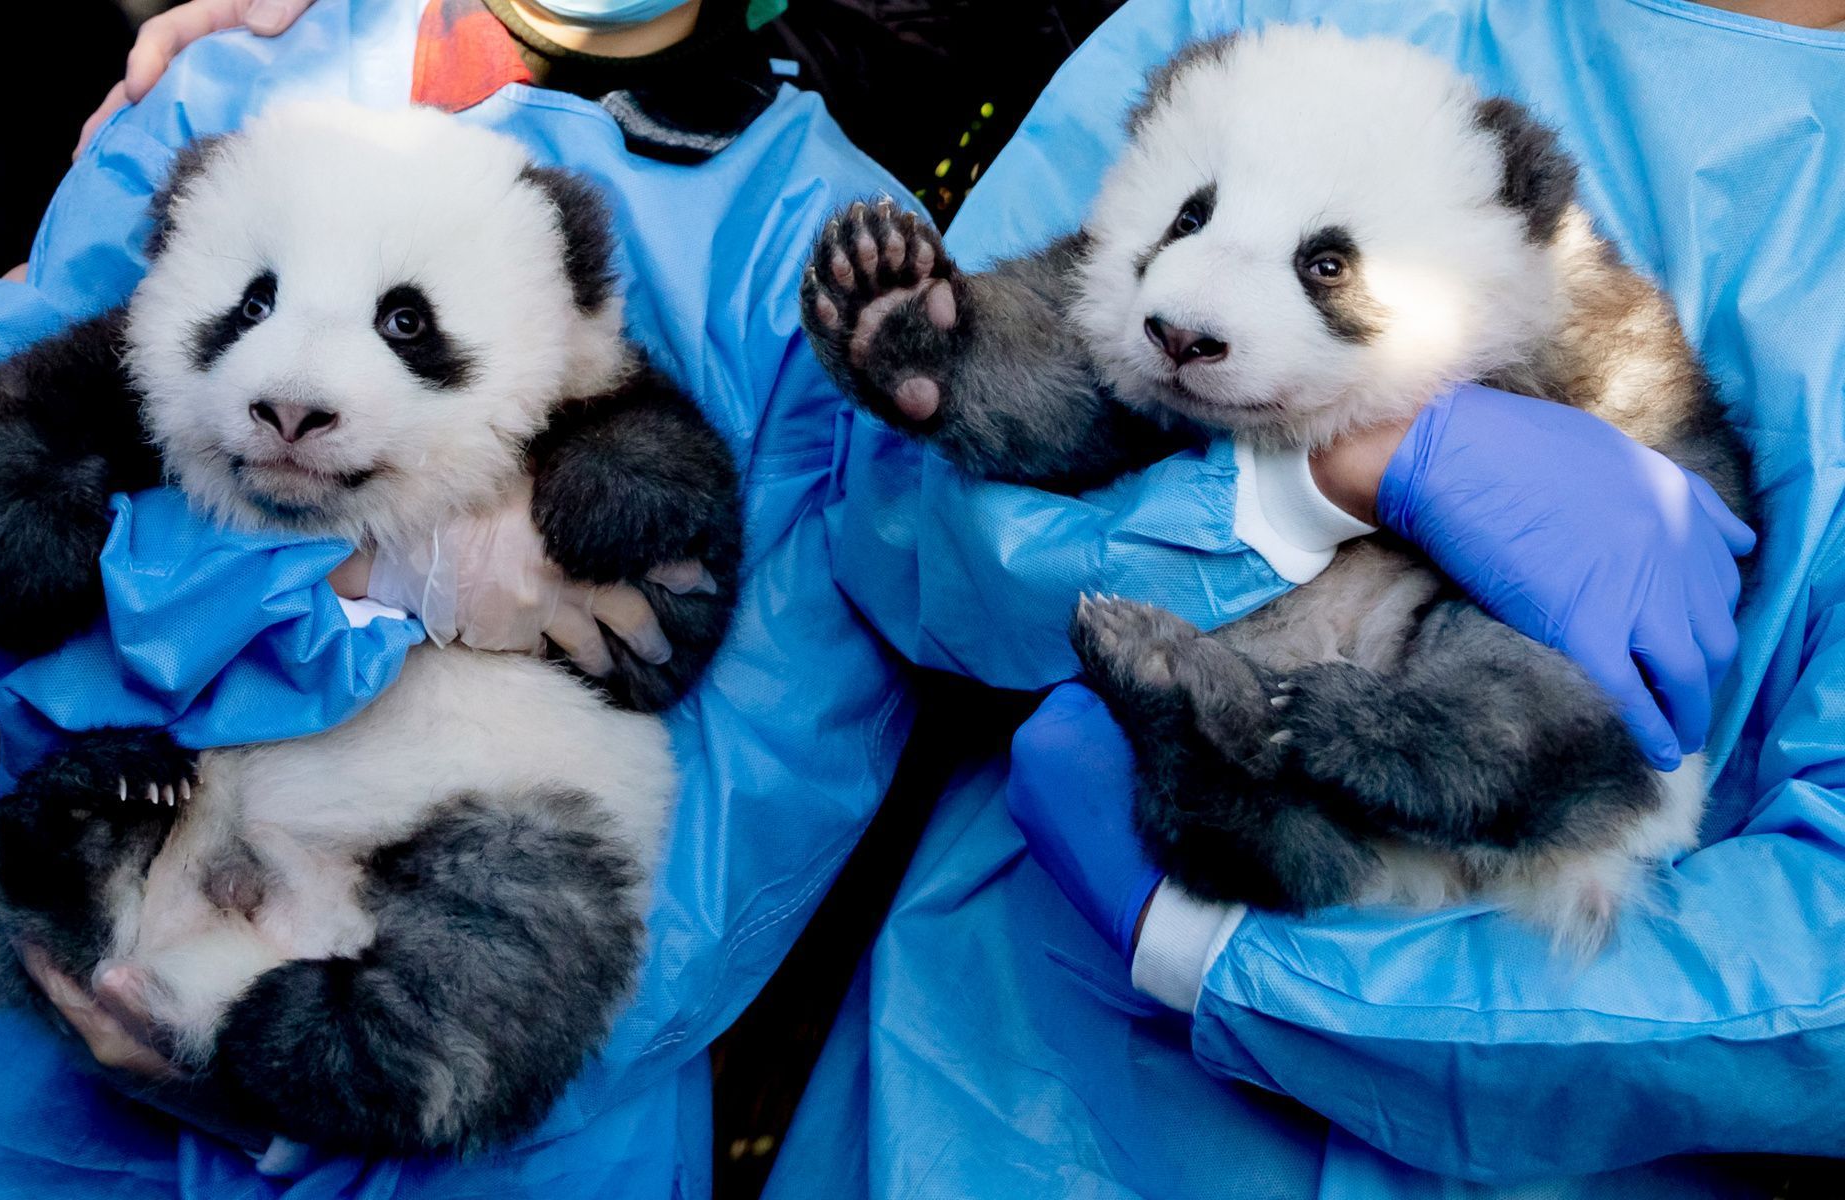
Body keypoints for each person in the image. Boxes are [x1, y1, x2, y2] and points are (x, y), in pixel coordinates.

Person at [0, 2, 1763, 1198]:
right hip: (45, 1034)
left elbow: (751, 818)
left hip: (506, 1082)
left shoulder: (801, 216)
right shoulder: (257, 78)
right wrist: (374, 577)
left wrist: (408, 1057)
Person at [764, 0, 1845, 1197]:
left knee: (1512, 710)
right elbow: (899, 543)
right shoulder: (1251, 18)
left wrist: (1224, 957)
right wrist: (1310, 491)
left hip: (1554, 1061)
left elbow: (1816, 968)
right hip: (1019, 1094)